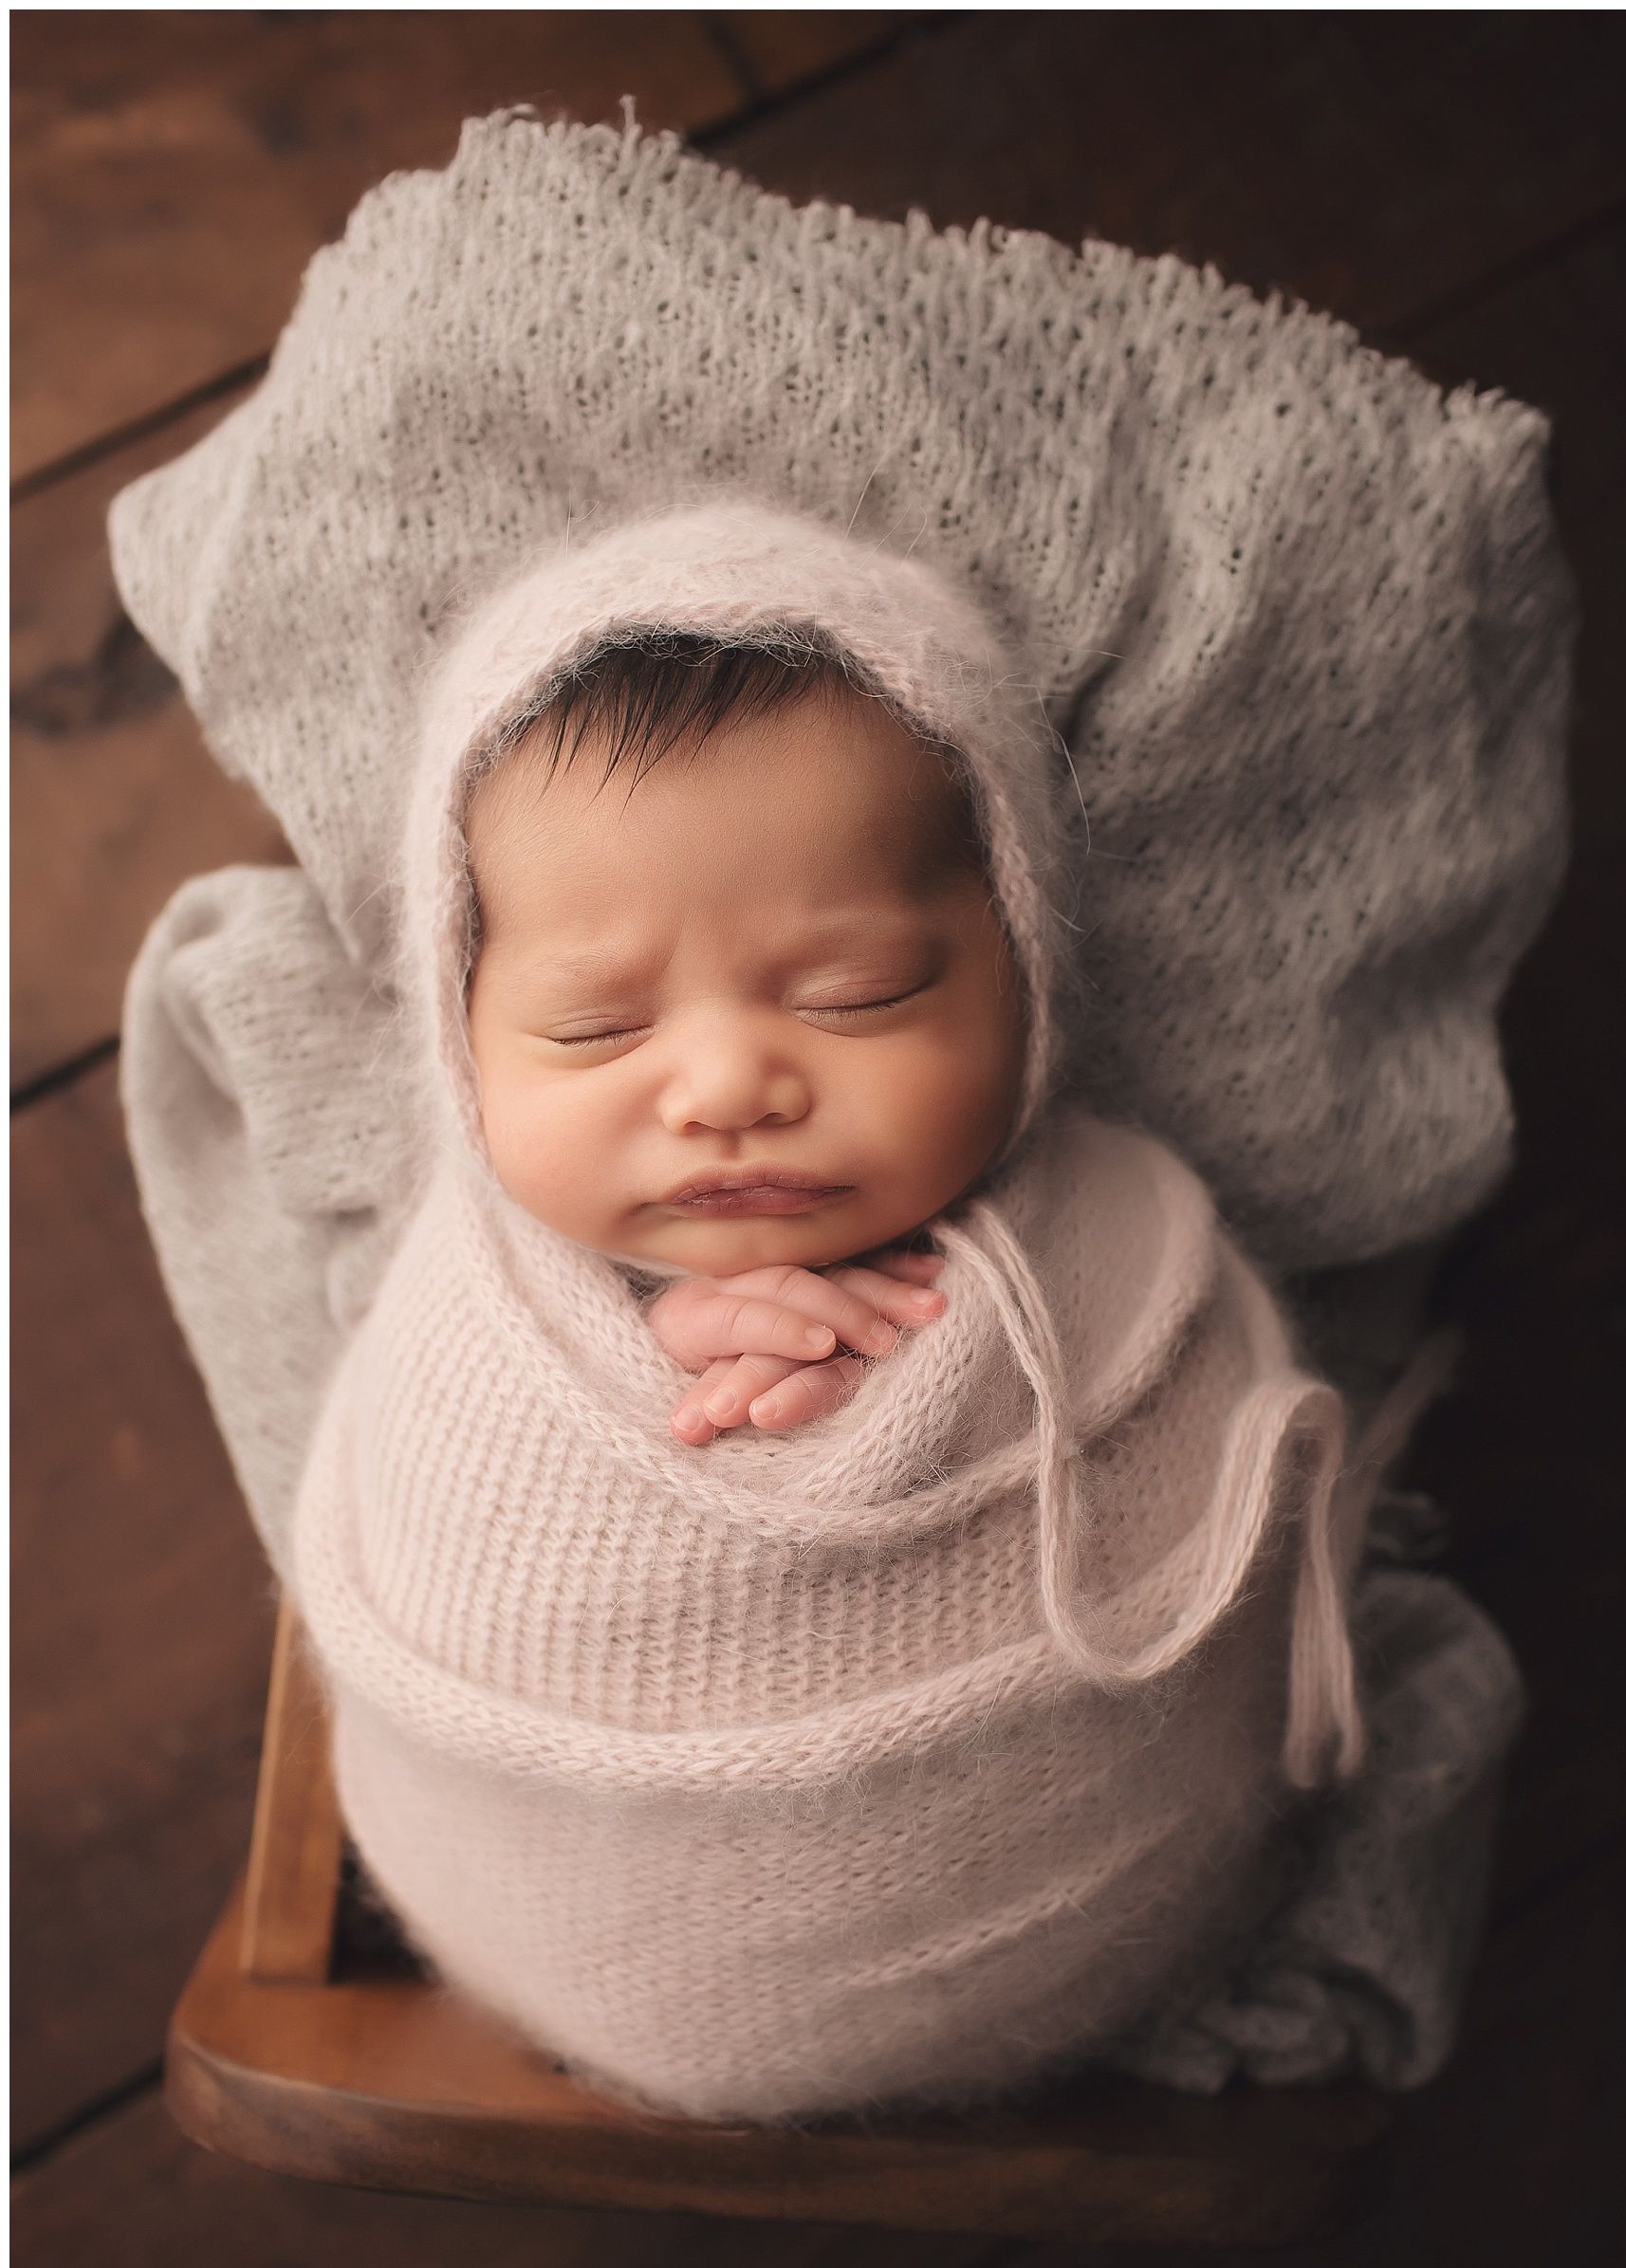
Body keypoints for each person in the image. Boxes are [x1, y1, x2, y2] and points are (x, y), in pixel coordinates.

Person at [284, 498, 1371, 2126]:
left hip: (1068, 1897)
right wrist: (632, 1379)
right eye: (593, 1028)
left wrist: (976, 1372)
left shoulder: (1125, 1246)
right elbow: (437, 1478)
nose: (728, 1085)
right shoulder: (473, 1302)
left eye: (854, 995)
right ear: (461, 1043)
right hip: (555, 1910)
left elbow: (1224, 1520)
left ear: (1023, 969)